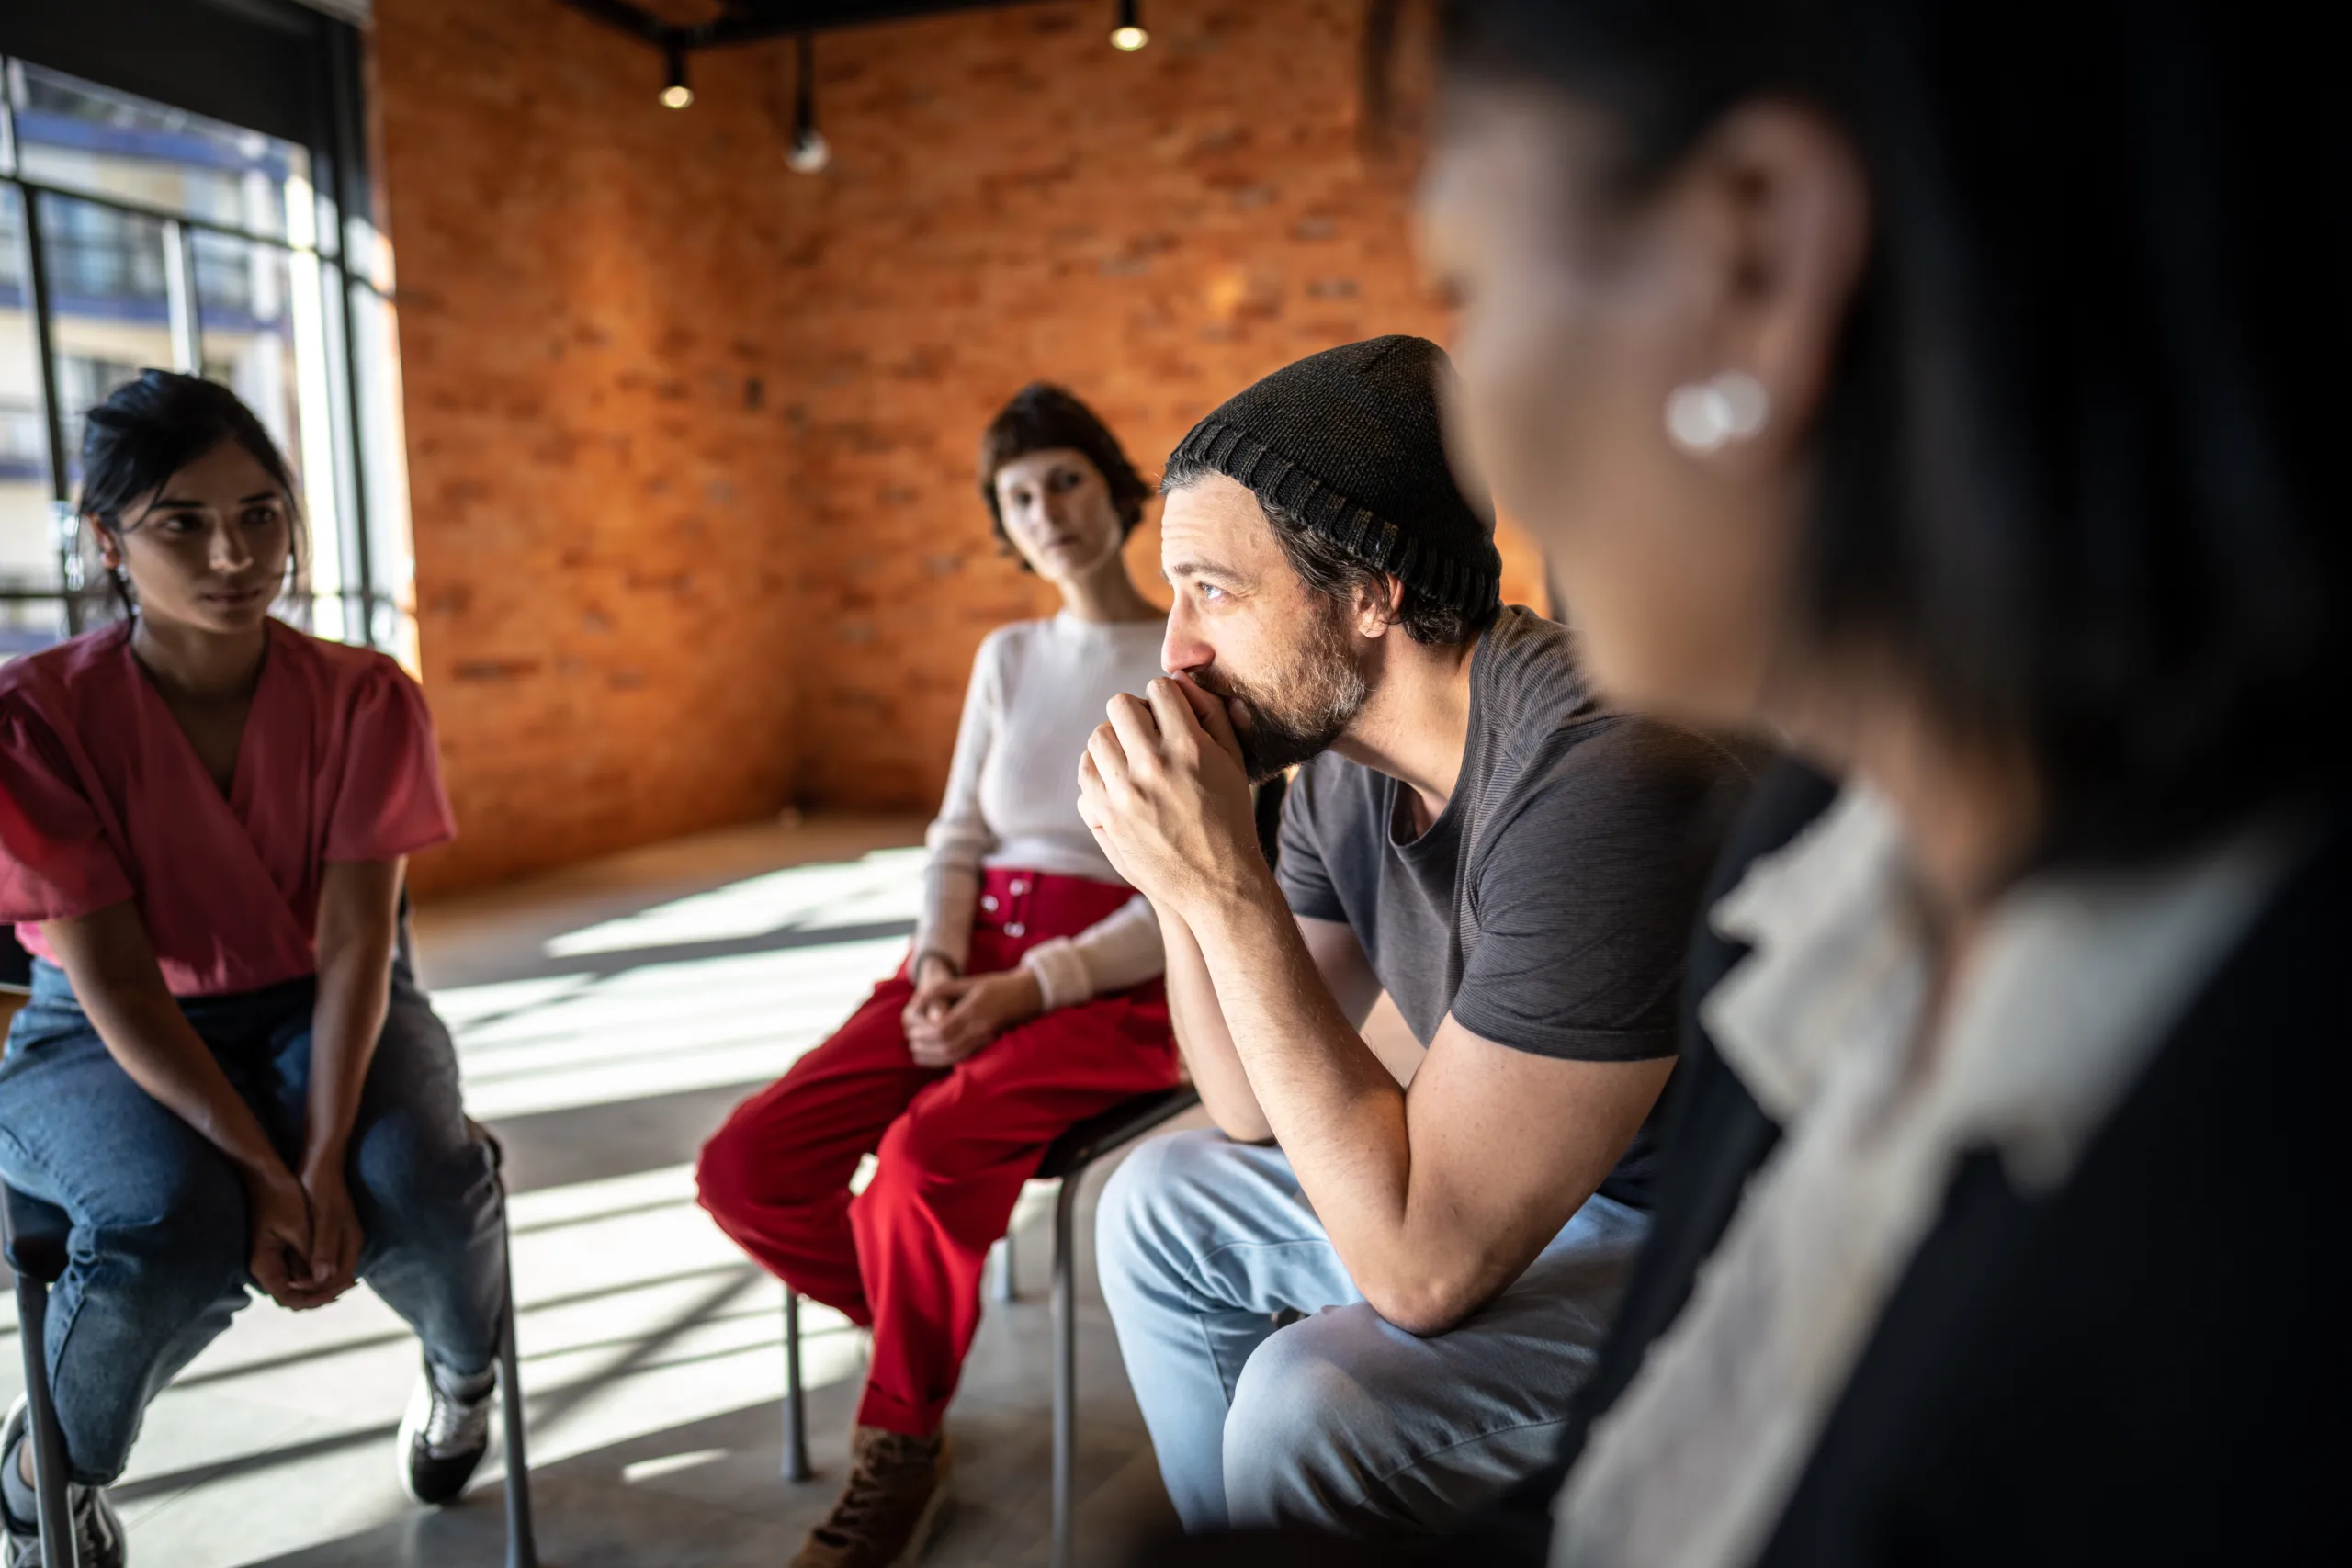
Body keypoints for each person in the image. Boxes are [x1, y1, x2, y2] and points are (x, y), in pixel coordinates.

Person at [1292, 0, 2341, 1562]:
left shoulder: (2268, 1168)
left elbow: (1422, 1252)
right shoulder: (1811, 867)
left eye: (1475, 287)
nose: (1488, 437)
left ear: (1759, 268)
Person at [1081, 336, 1749, 1537]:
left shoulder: (1602, 780)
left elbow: (1419, 1270)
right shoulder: (1343, 760)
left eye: (1213, 589)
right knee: (1159, 1200)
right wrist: (1179, 874)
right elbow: (1242, 1102)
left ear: (1370, 592)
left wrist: (1226, 886)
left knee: (1311, 1402)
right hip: (1535, 1184)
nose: (1175, 647)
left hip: (1718, 1242)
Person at [0, 373, 509, 1568]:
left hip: (320, 999)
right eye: (182, 522)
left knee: (420, 1179)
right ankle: (43, 1481)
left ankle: (463, 1374)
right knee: (169, 1222)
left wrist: (322, 1155)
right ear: (107, 542)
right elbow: (122, 984)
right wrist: (262, 1171)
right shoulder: (33, 717)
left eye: (260, 514)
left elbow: (359, 943)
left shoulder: (366, 696)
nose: (234, 554)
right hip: (100, 1028)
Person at [694, 384, 1182, 1568]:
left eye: (1064, 481)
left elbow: (1189, 884)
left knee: (920, 1161)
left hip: (1119, 982)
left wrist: (1031, 988)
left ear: (1115, 488)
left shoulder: (1188, 654)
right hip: (963, 956)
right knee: (745, 1167)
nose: (1046, 511)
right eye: (1018, 498)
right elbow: (958, 836)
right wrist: (945, 965)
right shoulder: (1008, 656)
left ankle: (904, 1442)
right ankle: (920, 1321)